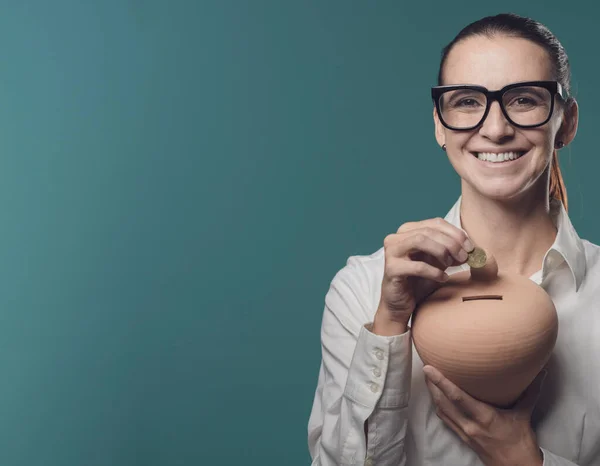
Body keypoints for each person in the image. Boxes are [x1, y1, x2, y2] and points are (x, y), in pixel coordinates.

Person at [307, 12, 600, 466]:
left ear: (566, 122)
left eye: (523, 99)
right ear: (440, 125)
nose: (496, 128)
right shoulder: (364, 291)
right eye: (466, 101)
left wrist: (525, 460)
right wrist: (389, 327)